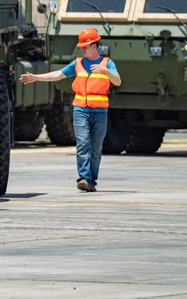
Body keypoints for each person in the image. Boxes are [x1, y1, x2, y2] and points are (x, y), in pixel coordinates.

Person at [20, 28, 121, 193]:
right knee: (83, 144)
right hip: (81, 110)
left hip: (100, 113)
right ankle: (83, 178)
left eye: (85, 46)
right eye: (81, 46)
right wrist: (36, 77)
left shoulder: (107, 63)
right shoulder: (78, 63)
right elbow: (58, 74)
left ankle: (92, 181)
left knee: (96, 148)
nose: (82, 49)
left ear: (94, 46)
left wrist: (106, 71)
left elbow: (117, 82)